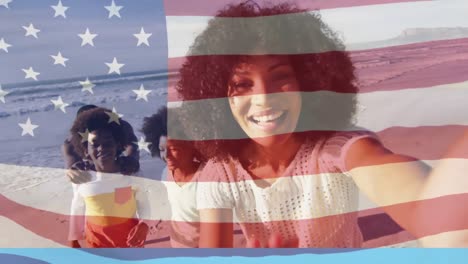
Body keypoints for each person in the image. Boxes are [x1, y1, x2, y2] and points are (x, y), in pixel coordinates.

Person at [175, 1, 468, 248]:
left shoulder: (337, 150)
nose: (263, 97)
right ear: (216, 98)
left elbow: (429, 214)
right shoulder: (220, 173)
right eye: (242, 84)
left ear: (310, 82)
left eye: (281, 77)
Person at [67, 107, 150, 248]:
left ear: (118, 144)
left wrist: (144, 224)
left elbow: (144, 202)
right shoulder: (83, 178)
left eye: (108, 142)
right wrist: (73, 238)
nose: (102, 148)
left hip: (129, 241)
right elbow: (77, 207)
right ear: (86, 151)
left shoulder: (131, 174)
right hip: (96, 241)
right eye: (95, 144)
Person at [141, 106, 205, 247]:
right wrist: (145, 225)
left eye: (174, 149)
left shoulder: (206, 177)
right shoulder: (166, 173)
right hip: (177, 245)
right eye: (162, 149)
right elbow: (165, 203)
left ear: (192, 146)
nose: (167, 156)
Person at [62, 104, 140, 184]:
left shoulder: (122, 128)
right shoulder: (70, 142)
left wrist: (132, 159)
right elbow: (71, 164)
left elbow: (133, 146)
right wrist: (73, 170)